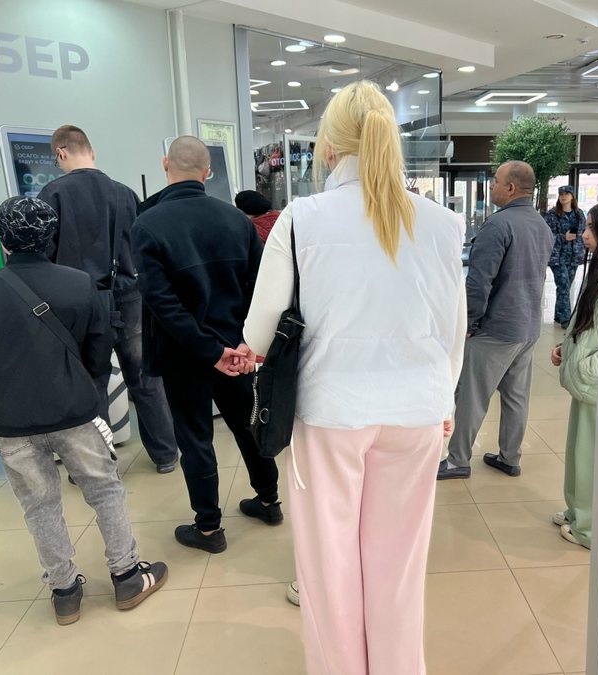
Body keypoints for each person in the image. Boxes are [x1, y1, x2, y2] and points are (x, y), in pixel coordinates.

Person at [242, 80, 465, 675]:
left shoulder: (302, 217)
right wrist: (444, 401)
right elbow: (453, 330)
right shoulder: (443, 223)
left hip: (331, 410)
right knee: (399, 566)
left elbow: (261, 329)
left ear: (328, 146)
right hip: (417, 410)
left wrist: (248, 349)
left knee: (329, 566)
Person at [0, 196, 168, 626]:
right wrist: (80, 385)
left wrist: (5, 394)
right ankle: (127, 575)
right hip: (75, 412)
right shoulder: (78, 283)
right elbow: (98, 350)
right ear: (51, 238)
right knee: (105, 490)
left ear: (2, 240)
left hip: (12, 421)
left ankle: (65, 591)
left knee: (39, 505)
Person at [132, 136, 281, 554]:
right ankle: (269, 500)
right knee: (247, 425)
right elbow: (259, 289)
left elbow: (161, 303)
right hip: (236, 349)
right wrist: (244, 343)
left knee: (195, 437)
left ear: (165, 164)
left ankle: (210, 529)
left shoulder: (147, 225)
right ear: (208, 171)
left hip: (184, 354)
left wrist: (208, 350)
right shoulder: (237, 220)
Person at [38, 125, 177, 473]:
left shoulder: (52, 194)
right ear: (92, 151)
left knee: (91, 384)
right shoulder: (125, 193)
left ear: (61, 153)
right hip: (130, 297)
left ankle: (99, 464)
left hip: (79, 302)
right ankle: (166, 454)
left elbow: (46, 254)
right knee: (145, 378)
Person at [438, 160, 554, 480]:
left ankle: (457, 461)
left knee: (471, 397)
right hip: (527, 327)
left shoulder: (498, 226)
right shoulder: (541, 226)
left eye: (496, 181)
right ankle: (510, 457)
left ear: (511, 188)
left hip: (496, 329)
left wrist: (469, 323)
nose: (492, 186)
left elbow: (479, 283)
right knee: (516, 397)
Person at [550, 201, 598, 549]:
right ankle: (576, 512)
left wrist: (583, 364)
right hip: (583, 378)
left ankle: (588, 528)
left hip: (594, 380)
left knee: (588, 458)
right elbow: (585, 324)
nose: (584, 234)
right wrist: (566, 348)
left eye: (592, 228)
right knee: (577, 452)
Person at [545, 185, 587, 329]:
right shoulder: (552, 215)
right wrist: (564, 237)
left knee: (566, 287)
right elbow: (547, 236)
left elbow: (584, 233)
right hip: (557, 257)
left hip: (574, 256)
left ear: (572, 196)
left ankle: (558, 315)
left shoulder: (579, 214)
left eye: (566, 194)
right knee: (563, 285)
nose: (563, 196)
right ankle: (566, 320)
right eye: (561, 194)